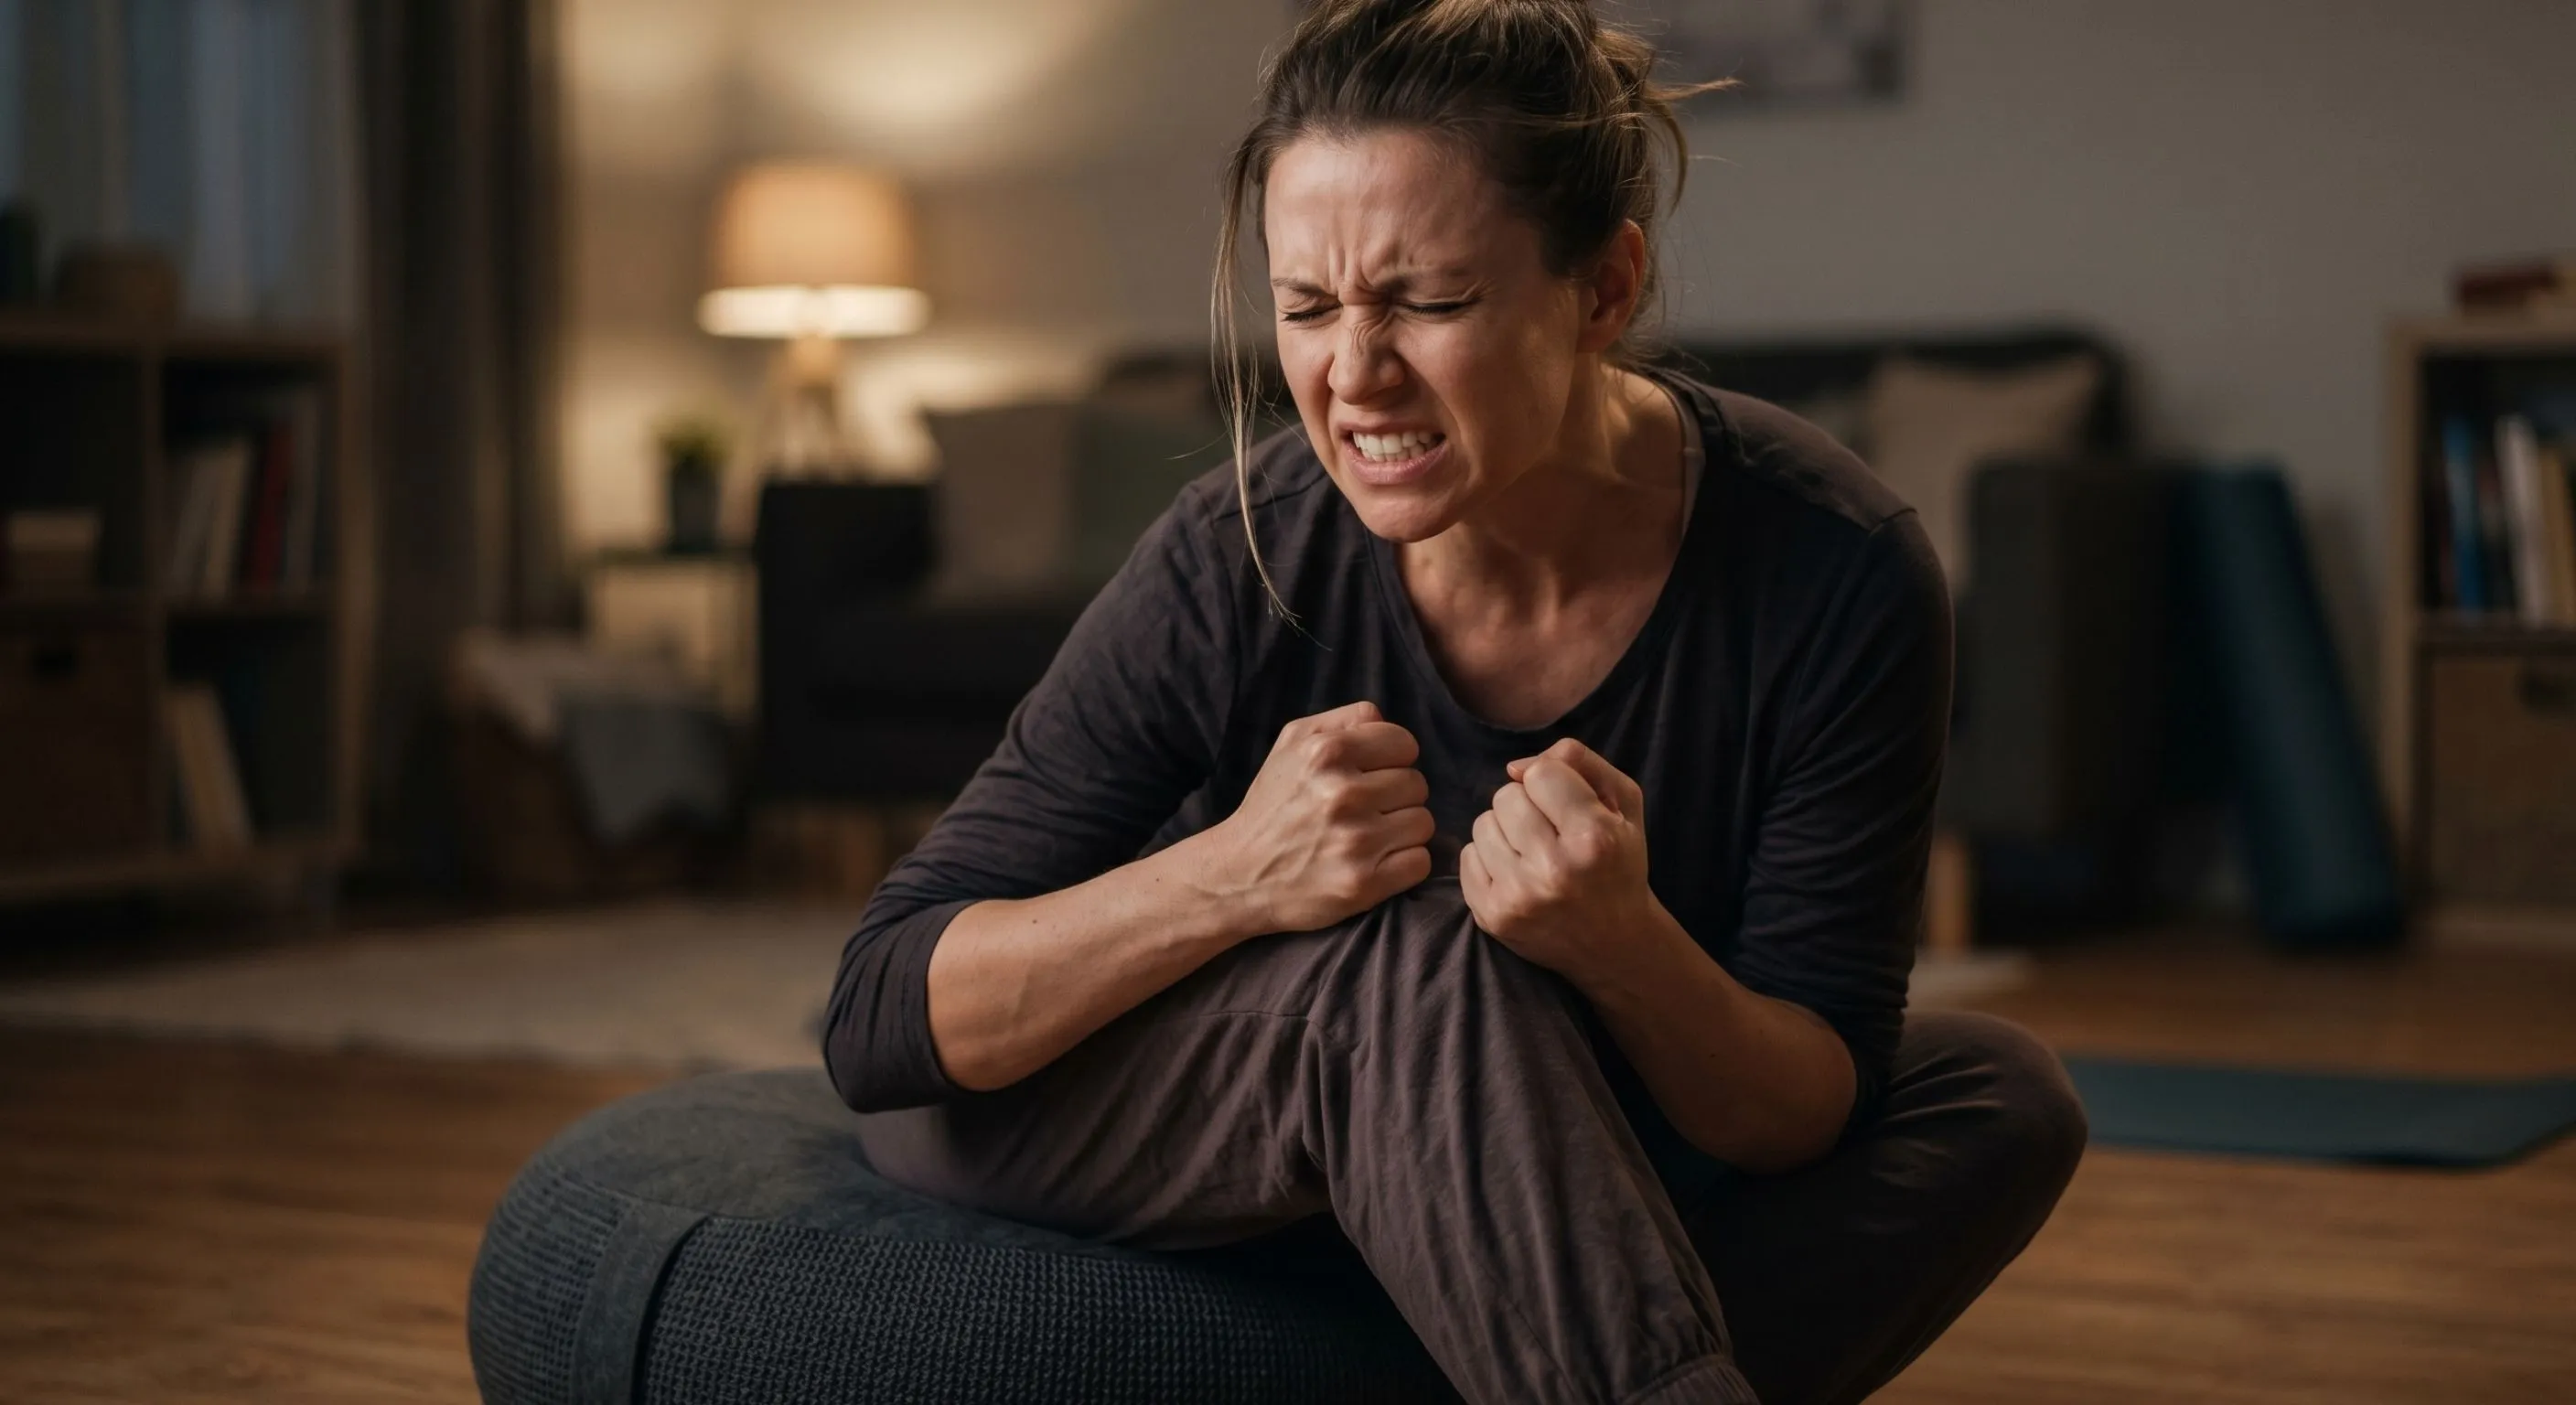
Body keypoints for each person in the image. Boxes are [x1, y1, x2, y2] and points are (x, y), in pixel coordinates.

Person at [824, 1, 2087, 1400]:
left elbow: (1799, 1110)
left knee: (1993, 1093)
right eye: (1306, 308)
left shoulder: (1832, 571)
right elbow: (882, 1018)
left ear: (1604, 290)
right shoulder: (1236, 546)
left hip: (1501, 1133)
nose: (1353, 376)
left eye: (1427, 302)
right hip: (1100, 1100)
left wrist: (1629, 949)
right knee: (1424, 967)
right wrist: (1234, 877)